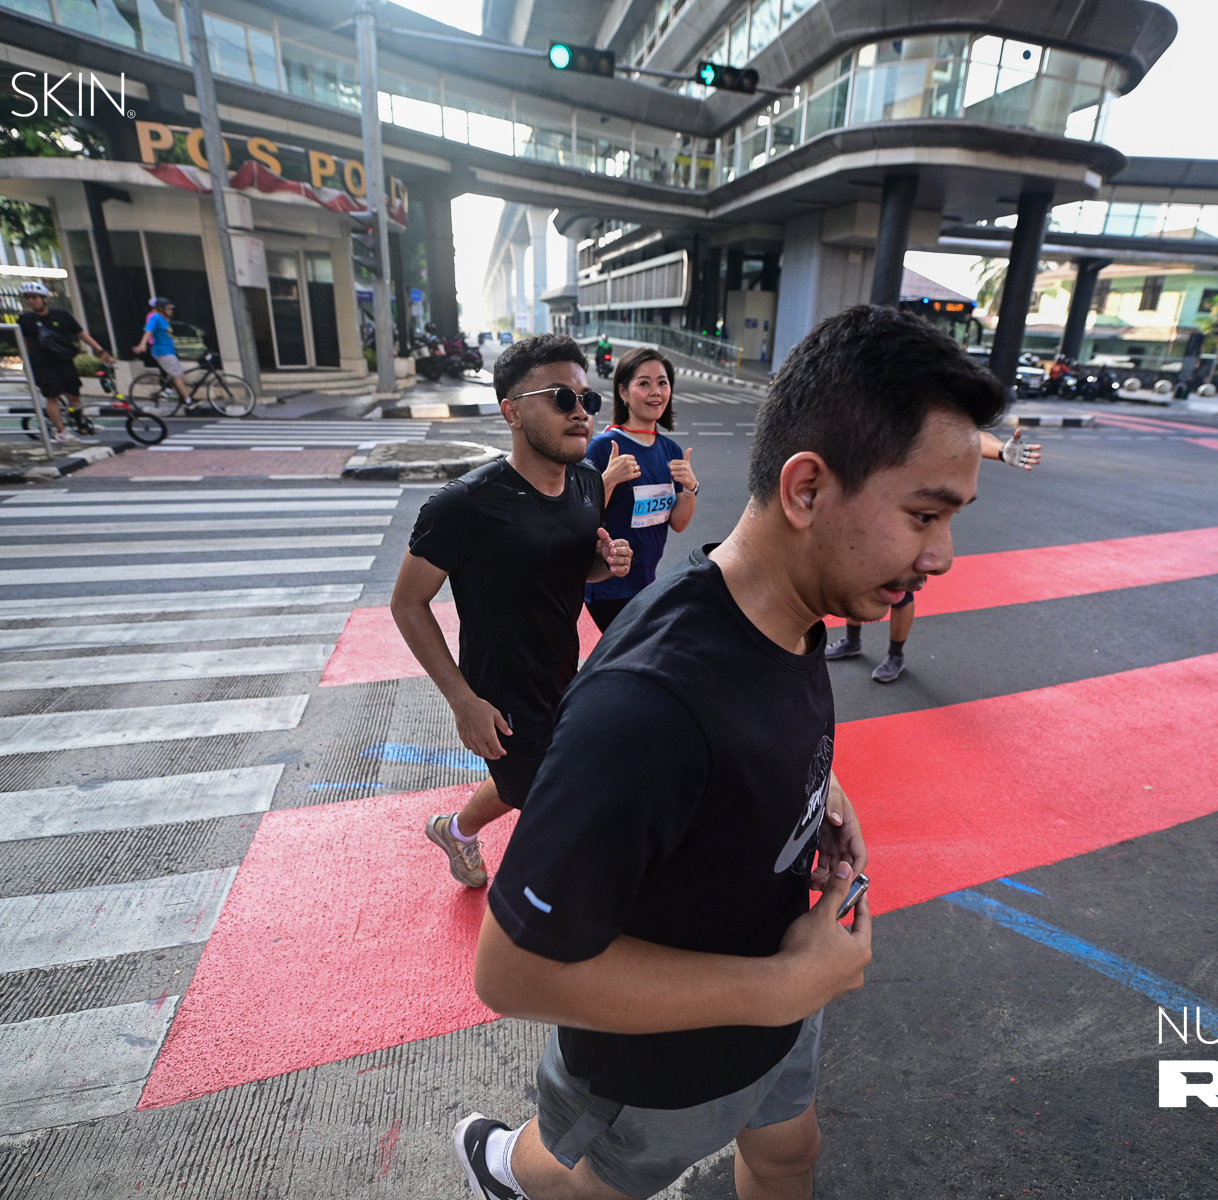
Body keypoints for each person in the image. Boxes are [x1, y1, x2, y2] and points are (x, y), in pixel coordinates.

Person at [452, 305, 1008, 1200]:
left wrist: (818, 793)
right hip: (655, 1068)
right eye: (923, 515)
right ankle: (507, 1169)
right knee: (587, 1185)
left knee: (788, 1154)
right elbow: (512, 971)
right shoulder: (645, 705)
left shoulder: (794, 609)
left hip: (778, 1009)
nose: (941, 555)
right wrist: (782, 986)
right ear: (806, 490)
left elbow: (755, 725)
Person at [391, 333, 632, 889]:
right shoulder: (464, 505)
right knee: (558, 803)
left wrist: (604, 565)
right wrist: (463, 702)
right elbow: (407, 602)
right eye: (562, 398)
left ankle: (455, 830)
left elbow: (570, 570)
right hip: (499, 695)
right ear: (512, 412)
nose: (580, 413)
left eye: (587, 399)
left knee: (525, 783)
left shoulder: (587, 484)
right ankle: (554, 913)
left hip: (565, 674)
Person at [825, 428, 1043, 682]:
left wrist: (1001, 451)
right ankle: (852, 642)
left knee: (901, 592)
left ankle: (895, 656)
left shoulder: (914, 419)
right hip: (866, 518)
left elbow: (965, 435)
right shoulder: (864, 421)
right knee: (858, 580)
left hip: (906, 522)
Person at [583, 346, 698, 632]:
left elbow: (679, 523)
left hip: (646, 582)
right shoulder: (604, 447)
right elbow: (580, 517)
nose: (655, 392)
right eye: (644, 383)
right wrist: (608, 480)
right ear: (623, 392)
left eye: (662, 383)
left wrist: (690, 488)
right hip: (609, 585)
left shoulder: (671, 450)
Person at [17, 282, 114, 442]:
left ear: (45, 298)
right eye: (28, 298)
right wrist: (26, 362)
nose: (31, 301)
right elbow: (25, 341)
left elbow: (81, 334)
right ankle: (61, 431)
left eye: (34, 297)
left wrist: (101, 350)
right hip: (42, 365)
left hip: (64, 361)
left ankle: (81, 424)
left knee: (74, 397)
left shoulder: (62, 316)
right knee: (53, 397)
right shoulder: (26, 319)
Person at [133, 297, 193, 405]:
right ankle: (188, 401)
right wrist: (142, 344)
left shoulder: (164, 320)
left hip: (170, 351)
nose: (171, 311)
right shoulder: (156, 318)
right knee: (177, 376)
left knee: (179, 375)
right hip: (163, 352)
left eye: (172, 309)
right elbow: (148, 331)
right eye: (168, 309)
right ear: (161, 309)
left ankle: (181, 397)